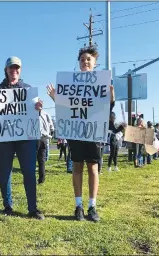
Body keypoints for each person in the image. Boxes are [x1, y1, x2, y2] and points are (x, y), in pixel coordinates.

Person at [46, 46, 115, 222]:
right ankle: (78, 206)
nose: (85, 61)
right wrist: (56, 98)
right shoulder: (70, 84)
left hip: (93, 133)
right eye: (82, 59)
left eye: (88, 59)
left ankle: (92, 206)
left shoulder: (101, 84)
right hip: (75, 133)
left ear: (94, 63)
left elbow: (106, 110)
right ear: (79, 62)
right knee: (77, 167)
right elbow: (66, 109)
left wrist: (111, 99)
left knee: (93, 168)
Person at [0, 56, 44, 219]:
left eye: (17, 68)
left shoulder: (28, 89)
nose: (14, 70)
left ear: (20, 70)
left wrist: (38, 108)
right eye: (11, 68)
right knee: (5, 171)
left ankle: (32, 208)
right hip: (4, 138)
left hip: (25, 138)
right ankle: (7, 206)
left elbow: (34, 114)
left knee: (29, 171)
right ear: (6, 70)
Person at [37, 108, 54, 184]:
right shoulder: (46, 114)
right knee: (41, 160)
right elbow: (52, 127)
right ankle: (42, 179)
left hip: (35, 138)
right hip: (43, 138)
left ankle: (37, 178)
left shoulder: (30, 113)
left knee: (33, 160)